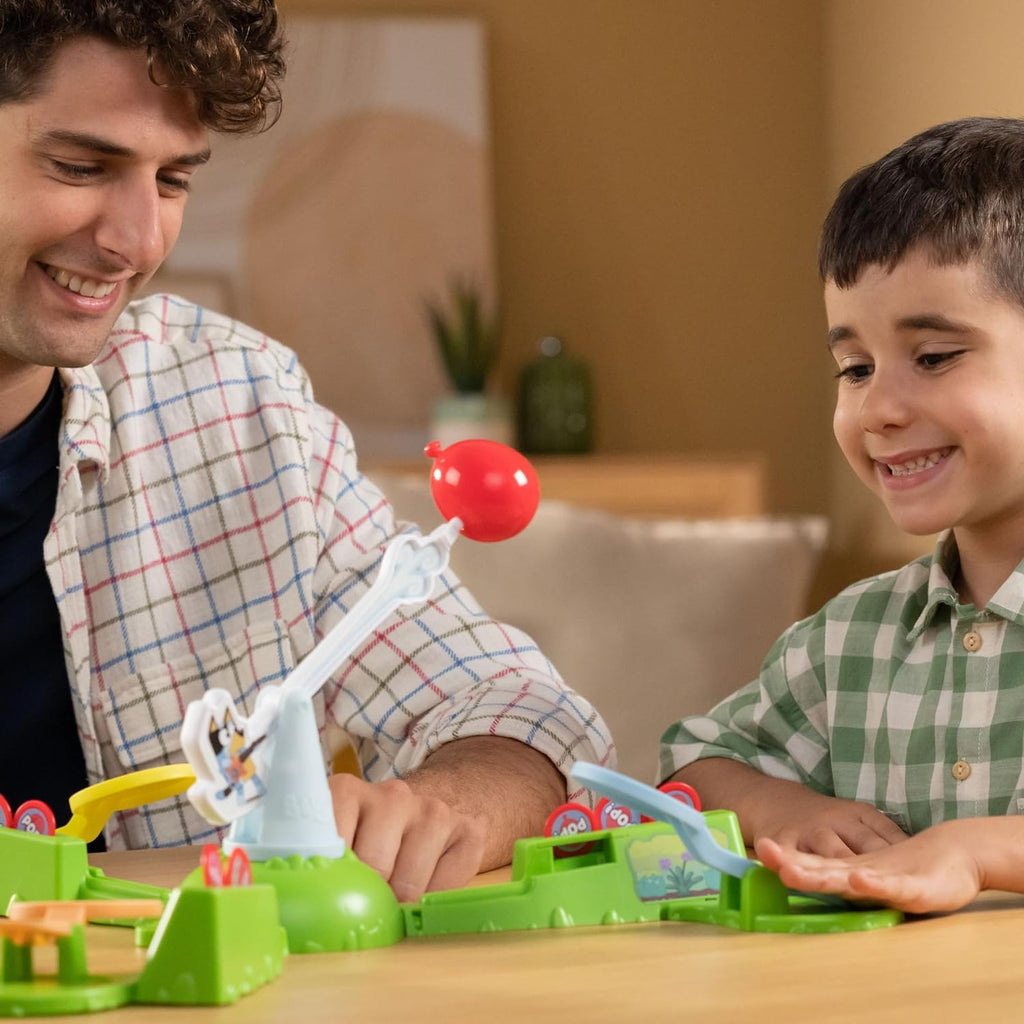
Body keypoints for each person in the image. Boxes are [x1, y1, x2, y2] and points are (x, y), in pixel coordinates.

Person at [0, 0, 612, 902]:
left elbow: (516, 711)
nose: (137, 241)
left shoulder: (242, 404)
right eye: (81, 166)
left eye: (173, 180)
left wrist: (446, 805)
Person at [661, 116, 1024, 914]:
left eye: (933, 358)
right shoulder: (845, 642)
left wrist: (978, 849)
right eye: (853, 368)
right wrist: (782, 810)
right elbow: (694, 765)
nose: (879, 408)